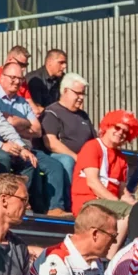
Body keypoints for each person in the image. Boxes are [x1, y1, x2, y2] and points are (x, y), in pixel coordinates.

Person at [0, 58, 70, 216]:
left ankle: (55, 208)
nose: (17, 82)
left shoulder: (23, 103)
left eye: (20, 79)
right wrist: (26, 125)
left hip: (25, 146)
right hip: (3, 146)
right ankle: (19, 204)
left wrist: (17, 121)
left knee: (55, 166)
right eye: (13, 77)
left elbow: (38, 131)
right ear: (2, 77)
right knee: (24, 161)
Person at [39, 72, 95, 210]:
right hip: (56, 157)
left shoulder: (83, 116)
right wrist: (76, 157)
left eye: (83, 94)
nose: (81, 98)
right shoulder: (52, 112)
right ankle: (67, 206)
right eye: (78, 93)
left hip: (83, 159)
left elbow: (94, 141)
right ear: (65, 91)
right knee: (67, 161)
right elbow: (51, 142)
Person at [72, 110, 138, 218]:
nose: (120, 133)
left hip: (110, 204)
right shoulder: (92, 146)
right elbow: (93, 183)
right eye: (117, 128)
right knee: (130, 212)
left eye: (125, 132)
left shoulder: (121, 158)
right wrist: (117, 203)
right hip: (88, 203)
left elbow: (122, 192)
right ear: (107, 127)